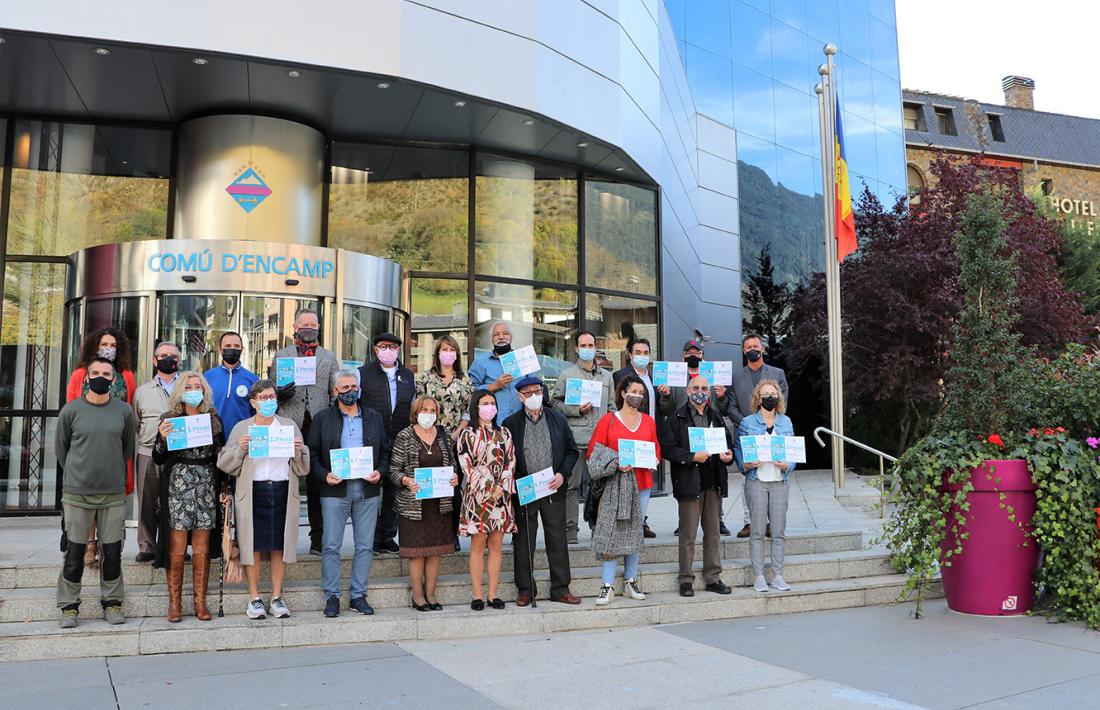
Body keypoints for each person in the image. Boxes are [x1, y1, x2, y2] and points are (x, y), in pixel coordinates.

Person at [55, 357, 137, 628]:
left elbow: (127, 449)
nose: (101, 377)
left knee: (112, 552)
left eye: (106, 373)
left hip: (112, 494)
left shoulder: (124, 411)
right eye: (95, 373)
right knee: (75, 552)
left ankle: (112, 603)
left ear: (113, 380)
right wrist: (80, 474)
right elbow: (62, 449)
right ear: (86, 377)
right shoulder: (71, 410)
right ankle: (69, 606)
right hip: (77, 494)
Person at [217, 379, 309, 620]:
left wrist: (298, 450)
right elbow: (225, 463)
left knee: (280, 546)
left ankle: (277, 596)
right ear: (253, 402)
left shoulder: (288, 426)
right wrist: (240, 449)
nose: (269, 402)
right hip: (253, 493)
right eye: (264, 398)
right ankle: (254, 597)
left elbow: (302, 468)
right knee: (253, 546)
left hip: (281, 490)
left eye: (272, 397)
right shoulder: (242, 428)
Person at [307, 369, 389, 618]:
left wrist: (379, 472)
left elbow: (385, 451)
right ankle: (332, 596)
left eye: (354, 387)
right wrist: (324, 476)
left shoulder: (373, 417)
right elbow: (311, 454)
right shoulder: (322, 419)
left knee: (364, 546)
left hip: (367, 489)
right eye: (345, 388)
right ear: (335, 391)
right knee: (331, 545)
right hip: (335, 490)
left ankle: (357, 595)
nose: (351, 391)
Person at [151, 371, 226, 623]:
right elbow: (158, 457)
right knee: (177, 547)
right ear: (181, 391)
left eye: (198, 386)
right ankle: (175, 604)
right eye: (189, 386)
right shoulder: (169, 419)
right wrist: (162, 438)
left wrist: (224, 488)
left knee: (202, 547)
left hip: (206, 485)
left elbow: (221, 458)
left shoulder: (213, 420)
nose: (194, 390)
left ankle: (200, 602)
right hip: (178, 485)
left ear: (204, 392)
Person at [503, 375, 582, 606]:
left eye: (537, 391)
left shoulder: (557, 419)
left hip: (552, 487)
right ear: (520, 396)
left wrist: (562, 474)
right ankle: (526, 589)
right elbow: (507, 459)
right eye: (527, 393)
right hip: (526, 490)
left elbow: (571, 451)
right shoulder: (511, 423)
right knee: (523, 541)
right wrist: (518, 480)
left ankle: (560, 588)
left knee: (557, 538)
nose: (533, 396)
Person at [65, 327, 138, 568]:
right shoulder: (79, 374)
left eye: (113, 345)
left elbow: (130, 410)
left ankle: (110, 545)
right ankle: (89, 544)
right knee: (86, 496)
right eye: (104, 344)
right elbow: (70, 412)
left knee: (112, 499)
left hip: (115, 446)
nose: (109, 348)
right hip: (85, 446)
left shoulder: (126, 375)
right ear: (95, 346)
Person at [586, 375, 661, 605]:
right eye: (634, 391)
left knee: (635, 531)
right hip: (614, 485)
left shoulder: (648, 421)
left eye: (641, 392)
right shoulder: (608, 421)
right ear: (622, 393)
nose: (637, 395)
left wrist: (652, 460)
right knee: (612, 532)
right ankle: (607, 584)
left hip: (642, 484)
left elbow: (656, 450)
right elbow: (593, 453)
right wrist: (616, 462)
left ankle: (630, 580)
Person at [660, 375, 735, 598]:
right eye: (695, 388)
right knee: (688, 535)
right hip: (690, 483)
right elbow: (668, 449)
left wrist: (727, 456)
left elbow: (728, 445)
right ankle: (685, 579)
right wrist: (692, 456)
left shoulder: (716, 417)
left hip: (713, 483)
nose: (700, 391)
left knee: (713, 533)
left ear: (709, 391)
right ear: (687, 391)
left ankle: (713, 577)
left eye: (704, 387)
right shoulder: (677, 417)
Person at [270, 308, 337, 556]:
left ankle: (318, 538)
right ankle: (281, 537)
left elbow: (334, 392)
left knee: (317, 482)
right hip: (290, 422)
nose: (309, 328)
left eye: (314, 324)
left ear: (319, 328)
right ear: (295, 328)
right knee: (286, 481)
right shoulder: (281, 355)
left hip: (319, 424)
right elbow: (271, 392)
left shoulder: (328, 357)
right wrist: (279, 394)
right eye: (304, 324)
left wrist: (333, 423)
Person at [390, 396, 460, 611]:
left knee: (435, 551)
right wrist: (406, 480)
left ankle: (431, 593)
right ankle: (418, 596)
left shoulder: (444, 435)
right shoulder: (405, 436)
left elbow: (453, 464)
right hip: (414, 505)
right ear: (415, 412)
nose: (428, 414)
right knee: (417, 552)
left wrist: (455, 476)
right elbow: (393, 471)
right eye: (424, 410)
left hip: (439, 504)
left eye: (432, 410)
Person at [658, 339, 733, 536]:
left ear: (702, 354)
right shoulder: (675, 379)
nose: (693, 355)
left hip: (710, 428)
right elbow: (666, 409)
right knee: (686, 478)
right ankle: (685, 519)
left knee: (714, 476)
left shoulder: (713, 376)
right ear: (682, 356)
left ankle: (718, 519)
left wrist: (723, 396)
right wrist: (665, 396)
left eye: (697, 352)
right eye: (689, 352)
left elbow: (724, 409)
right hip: (685, 433)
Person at [551, 331, 615, 545]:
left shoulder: (607, 377)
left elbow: (612, 407)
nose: (588, 349)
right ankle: (570, 530)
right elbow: (555, 405)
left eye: (591, 345)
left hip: (600, 442)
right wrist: (576, 409)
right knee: (572, 486)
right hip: (575, 439)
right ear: (577, 349)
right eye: (584, 345)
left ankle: (598, 527)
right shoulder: (567, 375)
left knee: (600, 486)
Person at [724, 333, 790, 539]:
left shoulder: (777, 373)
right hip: (746, 434)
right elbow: (731, 406)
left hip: (772, 431)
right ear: (744, 351)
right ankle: (749, 522)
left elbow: (782, 401)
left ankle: (771, 522)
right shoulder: (735, 377)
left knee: (773, 474)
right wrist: (748, 425)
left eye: (756, 345)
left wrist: (765, 421)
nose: (752, 349)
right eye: (748, 346)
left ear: (762, 349)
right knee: (750, 477)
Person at [456, 390, 517, 610]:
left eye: (492, 403)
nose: (489, 407)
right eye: (485, 403)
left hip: (501, 497)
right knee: (477, 546)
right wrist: (489, 487)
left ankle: (493, 594)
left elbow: (511, 462)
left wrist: (501, 487)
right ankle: (477, 595)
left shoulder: (505, 433)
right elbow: (466, 465)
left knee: (496, 546)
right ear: (476, 406)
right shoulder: (468, 434)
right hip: (478, 497)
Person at [357, 332, 416, 556]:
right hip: (371, 439)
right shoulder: (363, 373)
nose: (388, 350)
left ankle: (388, 536)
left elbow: (412, 407)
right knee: (371, 490)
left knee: (394, 489)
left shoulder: (409, 376)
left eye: (392, 346)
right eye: (383, 346)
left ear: (399, 350)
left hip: (400, 439)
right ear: (375, 349)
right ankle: (371, 537)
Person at [735, 380, 796, 593]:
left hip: (780, 482)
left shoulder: (786, 422)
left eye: (773, 393)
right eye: (765, 394)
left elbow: (793, 452)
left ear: (778, 397)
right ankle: (759, 576)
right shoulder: (747, 422)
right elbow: (739, 448)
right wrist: (745, 464)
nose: (770, 397)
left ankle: (778, 575)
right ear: (758, 399)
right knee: (758, 531)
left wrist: (788, 465)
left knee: (778, 531)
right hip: (756, 481)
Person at [415, 335, 473, 550]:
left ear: (457, 354)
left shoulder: (465, 380)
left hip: (457, 439)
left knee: (453, 488)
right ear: (437, 353)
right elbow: (418, 408)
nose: (448, 353)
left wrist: (458, 431)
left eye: (452, 349)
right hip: (430, 439)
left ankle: (452, 533)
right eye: (444, 349)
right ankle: (431, 532)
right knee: (432, 487)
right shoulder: (424, 379)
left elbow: (469, 411)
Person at [132, 341, 182, 563]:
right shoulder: (142, 391)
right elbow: (136, 421)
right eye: (162, 355)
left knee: (177, 501)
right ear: (154, 360)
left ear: (178, 360)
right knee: (147, 500)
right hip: (148, 451)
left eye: (172, 355)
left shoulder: (187, 388)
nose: (167, 358)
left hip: (179, 453)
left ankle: (176, 545)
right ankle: (147, 545)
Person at [612, 337, 658, 538]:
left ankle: (642, 521)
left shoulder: (656, 376)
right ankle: (628, 524)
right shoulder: (620, 376)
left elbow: (664, 407)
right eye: (637, 352)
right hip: (628, 431)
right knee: (629, 479)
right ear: (630, 355)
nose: (642, 356)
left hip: (649, 433)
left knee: (645, 478)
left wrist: (664, 396)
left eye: (645, 352)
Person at [204, 331, 258, 438]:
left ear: (242, 350)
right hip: (212, 438)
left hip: (242, 440)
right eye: (228, 346)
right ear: (220, 349)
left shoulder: (253, 379)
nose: (232, 349)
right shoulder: (207, 377)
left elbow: (256, 412)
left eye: (236, 346)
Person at [468, 321, 521, 425]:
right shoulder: (481, 362)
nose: (501, 337)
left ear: (511, 337)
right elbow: (469, 391)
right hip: (494, 424)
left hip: (520, 423)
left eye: (505, 333)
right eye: (496, 334)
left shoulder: (521, 359)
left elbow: (533, 386)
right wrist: (493, 386)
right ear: (492, 339)